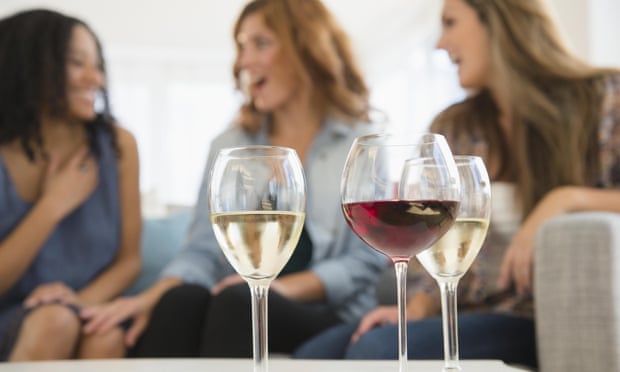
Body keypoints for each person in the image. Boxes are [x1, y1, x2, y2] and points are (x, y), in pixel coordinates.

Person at [292, 0, 620, 368]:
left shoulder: (604, 97)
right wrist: (415, 308)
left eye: (450, 23)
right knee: (311, 358)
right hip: (457, 307)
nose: (440, 43)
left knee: (376, 353)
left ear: (499, 20)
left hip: (534, 317)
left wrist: (564, 199)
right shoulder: (454, 126)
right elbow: (425, 229)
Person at [81, 0, 386, 358]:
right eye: (241, 47)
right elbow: (202, 250)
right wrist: (153, 295)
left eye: (260, 43)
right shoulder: (229, 146)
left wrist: (276, 289)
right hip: (234, 294)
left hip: (326, 312)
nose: (243, 62)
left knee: (238, 302)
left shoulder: (359, 143)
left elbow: (364, 262)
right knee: (180, 301)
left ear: (306, 47)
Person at [0, 9, 141, 361]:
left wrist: (75, 303)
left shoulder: (118, 146)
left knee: (103, 335)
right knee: (54, 323)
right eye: (77, 63)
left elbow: (129, 261)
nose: (96, 79)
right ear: (27, 67)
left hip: (84, 304)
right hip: (15, 323)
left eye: (98, 65)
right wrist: (52, 206)